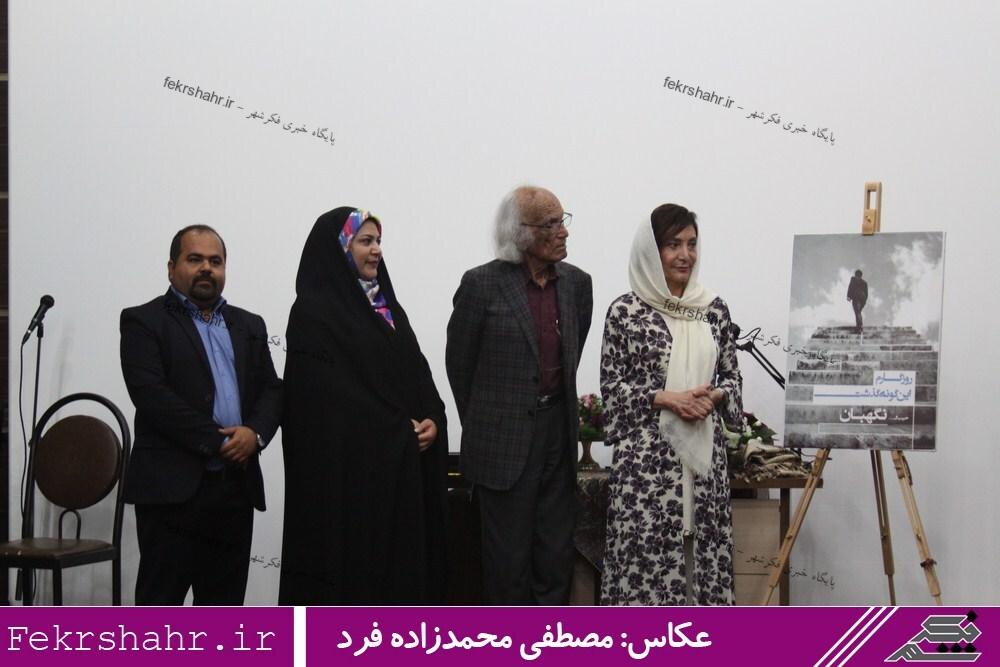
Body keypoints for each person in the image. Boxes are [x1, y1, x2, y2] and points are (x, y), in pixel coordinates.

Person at [278, 207, 449, 604]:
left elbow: (417, 372)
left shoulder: (388, 309)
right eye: (365, 241)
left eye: (378, 241)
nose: (376, 250)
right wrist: (393, 427)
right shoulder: (313, 312)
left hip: (400, 471)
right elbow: (322, 396)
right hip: (348, 481)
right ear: (339, 247)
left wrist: (433, 417)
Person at [120, 224, 282, 605]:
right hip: (172, 492)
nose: (207, 268)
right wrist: (220, 440)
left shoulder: (249, 325)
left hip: (234, 488)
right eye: (195, 259)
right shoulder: (143, 321)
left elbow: (272, 389)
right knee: (160, 608)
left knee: (224, 610)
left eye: (215, 261)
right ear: (171, 268)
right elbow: (152, 396)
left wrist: (254, 434)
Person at [446, 185, 593, 604]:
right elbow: (460, 367)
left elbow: (572, 354)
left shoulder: (577, 284)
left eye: (564, 220)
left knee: (555, 560)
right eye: (551, 224)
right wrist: (490, 425)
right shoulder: (481, 285)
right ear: (520, 232)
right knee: (507, 568)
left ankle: (549, 639)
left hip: (557, 438)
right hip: (502, 446)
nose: (564, 231)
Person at [599, 204, 743, 606]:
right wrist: (665, 398)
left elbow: (732, 378)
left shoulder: (712, 309)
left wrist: (714, 396)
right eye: (673, 244)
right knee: (646, 569)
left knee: (703, 564)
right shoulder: (625, 312)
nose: (685, 255)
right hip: (647, 468)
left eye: (691, 244)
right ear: (651, 250)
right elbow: (612, 388)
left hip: (704, 462)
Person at [847, 269, 868, 334]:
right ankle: (858, 326)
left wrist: (849, 296)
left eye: (858, 276)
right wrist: (849, 296)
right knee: (857, 312)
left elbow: (850, 288)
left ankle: (860, 327)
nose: (857, 277)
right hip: (861, 299)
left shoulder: (854, 281)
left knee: (857, 312)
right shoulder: (864, 283)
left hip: (858, 299)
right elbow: (866, 294)